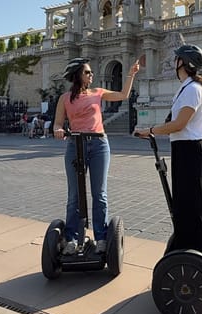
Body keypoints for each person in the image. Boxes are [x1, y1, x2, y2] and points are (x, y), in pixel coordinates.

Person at [53, 57, 139, 255]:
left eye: (91, 72)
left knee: (99, 194)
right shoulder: (65, 98)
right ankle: (73, 237)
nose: (91, 75)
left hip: (99, 144)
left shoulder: (98, 92)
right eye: (87, 72)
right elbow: (58, 123)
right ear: (77, 76)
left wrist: (131, 74)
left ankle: (101, 237)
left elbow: (124, 95)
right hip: (75, 144)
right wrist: (58, 130)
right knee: (74, 195)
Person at [134, 44, 202, 256]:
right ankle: (187, 249)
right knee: (183, 206)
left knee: (192, 207)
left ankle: (196, 255)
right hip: (182, 149)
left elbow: (179, 124)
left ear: (183, 63)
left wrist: (150, 130)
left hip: (191, 151)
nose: (173, 62)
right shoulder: (185, 88)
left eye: (176, 59)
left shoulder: (193, 89)